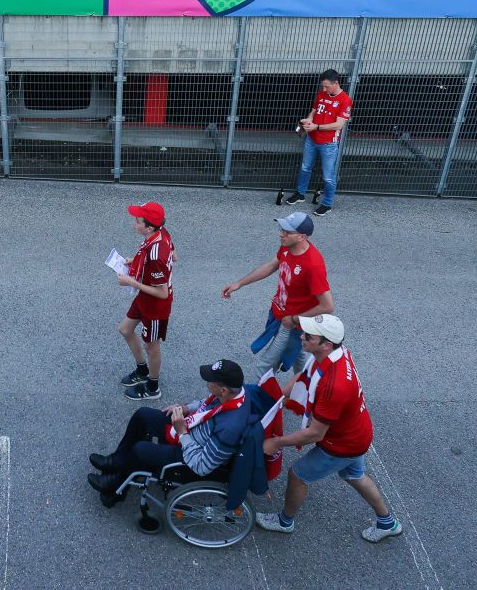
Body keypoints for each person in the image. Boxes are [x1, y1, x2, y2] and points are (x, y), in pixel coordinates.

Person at [255, 314, 403, 543]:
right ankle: (387, 522)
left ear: (326, 344)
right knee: (355, 475)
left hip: (343, 443)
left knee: (297, 475)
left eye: (309, 336)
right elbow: (305, 375)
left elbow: (315, 433)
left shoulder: (334, 385)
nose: (302, 336)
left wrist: (275, 442)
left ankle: (285, 521)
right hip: (357, 432)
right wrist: (278, 398)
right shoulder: (330, 355)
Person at [87, 360, 249, 507]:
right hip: (192, 430)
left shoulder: (229, 429)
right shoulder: (233, 394)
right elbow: (206, 404)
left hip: (191, 455)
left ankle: (116, 487)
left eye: (210, 380)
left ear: (223, 390)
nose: (207, 382)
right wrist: (186, 408)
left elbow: (201, 467)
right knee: (143, 415)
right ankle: (117, 461)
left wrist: (182, 432)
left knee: (141, 450)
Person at [221, 211, 333, 378]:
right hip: (280, 315)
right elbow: (271, 265)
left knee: (264, 367)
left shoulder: (313, 265)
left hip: (291, 323)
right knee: (300, 358)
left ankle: (267, 402)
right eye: (281, 229)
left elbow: (328, 306)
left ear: (302, 237)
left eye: (287, 232)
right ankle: (304, 393)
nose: (281, 234)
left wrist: (294, 319)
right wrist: (239, 283)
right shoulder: (288, 247)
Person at [117, 201, 175, 401]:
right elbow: (174, 256)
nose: (134, 223)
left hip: (155, 305)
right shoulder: (160, 233)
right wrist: (135, 261)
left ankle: (153, 387)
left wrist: (131, 281)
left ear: (149, 227)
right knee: (125, 329)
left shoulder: (157, 254)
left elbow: (163, 293)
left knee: (152, 346)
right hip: (145, 298)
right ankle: (142, 370)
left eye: (138, 221)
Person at [284, 69, 353, 217]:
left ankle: (327, 204)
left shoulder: (345, 100)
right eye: (322, 86)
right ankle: (300, 194)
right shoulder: (321, 94)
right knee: (305, 167)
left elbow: (339, 125)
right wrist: (309, 120)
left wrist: (317, 127)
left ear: (336, 83)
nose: (324, 89)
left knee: (328, 176)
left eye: (327, 86)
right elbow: (314, 111)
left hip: (328, 144)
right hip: (312, 138)